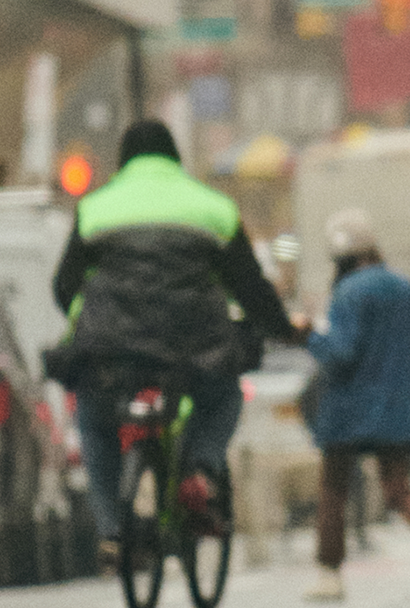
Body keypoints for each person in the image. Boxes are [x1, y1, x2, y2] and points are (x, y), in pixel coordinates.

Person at [47, 120, 304, 570]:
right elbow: (249, 286)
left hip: (114, 349)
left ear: (123, 162)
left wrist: (85, 320)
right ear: (176, 160)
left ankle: (111, 529)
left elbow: (64, 285)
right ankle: (201, 469)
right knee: (223, 397)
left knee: (94, 419)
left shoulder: (94, 209)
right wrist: (279, 326)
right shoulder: (213, 208)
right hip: (196, 346)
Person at [297, 209, 410, 602]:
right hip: (400, 408)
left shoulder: (348, 291)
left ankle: (330, 575)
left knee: (333, 488)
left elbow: (340, 352)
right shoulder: (403, 286)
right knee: (398, 489)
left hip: (350, 410)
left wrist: (308, 335)